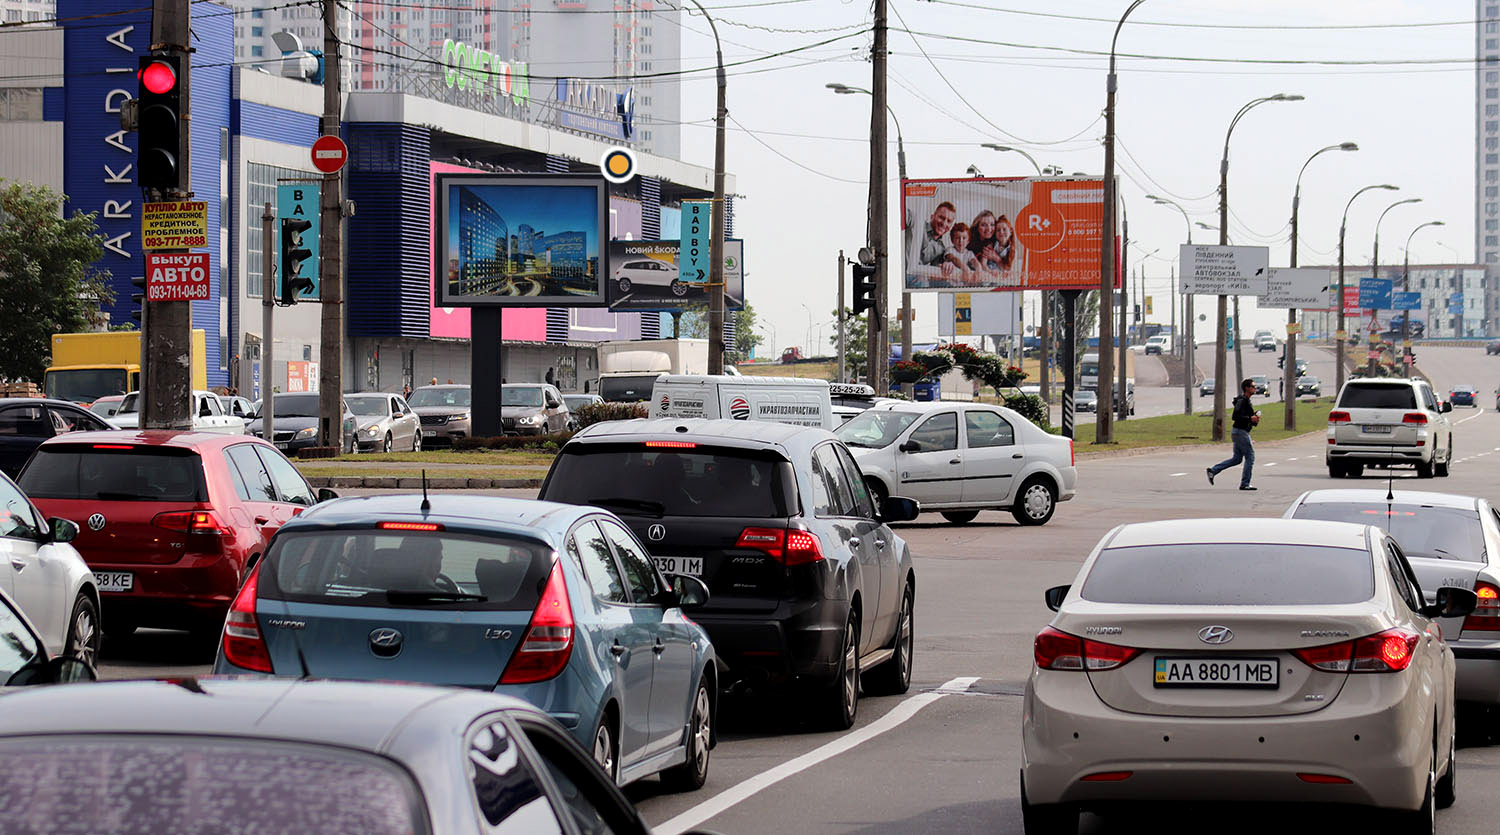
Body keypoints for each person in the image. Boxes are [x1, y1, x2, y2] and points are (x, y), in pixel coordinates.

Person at [1207, 378, 1260, 491]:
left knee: (1237, 459)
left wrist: (1253, 419)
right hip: (1240, 432)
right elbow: (1235, 416)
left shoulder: (1246, 401)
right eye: (1253, 387)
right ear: (1247, 388)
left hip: (1239, 431)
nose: (1255, 389)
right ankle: (1245, 483)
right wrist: (1250, 418)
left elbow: (1245, 418)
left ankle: (1213, 470)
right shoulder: (1242, 401)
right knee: (1250, 456)